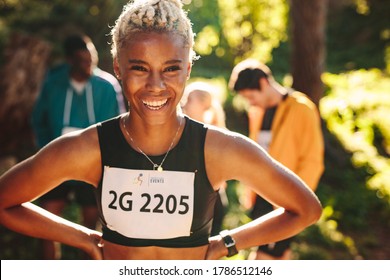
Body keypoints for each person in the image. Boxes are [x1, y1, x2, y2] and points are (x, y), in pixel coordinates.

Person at [0, 0, 322, 260]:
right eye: (139, 68)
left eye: (171, 69)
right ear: (117, 67)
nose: (156, 86)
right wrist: (83, 238)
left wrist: (227, 243)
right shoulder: (90, 147)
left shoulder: (219, 148)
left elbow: (305, 209)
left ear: (188, 69)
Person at [30, 34, 122, 259]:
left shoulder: (107, 86)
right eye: (82, 60)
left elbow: (117, 125)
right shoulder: (53, 83)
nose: (88, 64)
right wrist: (45, 149)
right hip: (55, 162)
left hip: (92, 164)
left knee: (91, 224)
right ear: (69, 61)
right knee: (47, 220)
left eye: (91, 58)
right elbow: (38, 120)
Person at [228, 59, 325, 260]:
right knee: (279, 256)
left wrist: (298, 203)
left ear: (263, 83)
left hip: (287, 201)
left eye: (251, 96)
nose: (250, 103)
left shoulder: (301, 108)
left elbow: (313, 159)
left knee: (262, 257)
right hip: (262, 196)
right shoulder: (257, 111)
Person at [181, 80, 228, 236]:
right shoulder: (182, 132)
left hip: (210, 205)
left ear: (203, 105)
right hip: (188, 204)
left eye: (189, 99)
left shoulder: (216, 136)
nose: (183, 104)